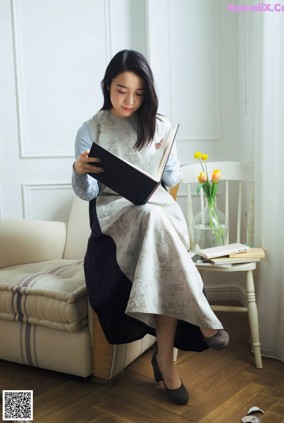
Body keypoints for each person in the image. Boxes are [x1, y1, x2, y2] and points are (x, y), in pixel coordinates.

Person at [72, 49, 229, 405]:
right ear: (107, 86)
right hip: (112, 222)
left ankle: (164, 357)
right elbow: (89, 194)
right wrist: (79, 172)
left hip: (156, 214)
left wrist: (165, 154)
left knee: (154, 218)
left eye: (139, 93)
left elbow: (171, 179)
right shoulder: (90, 129)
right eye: (121, 90)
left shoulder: (157, 124)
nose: (130, 100)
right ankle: (201, 324)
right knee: (152, 220)